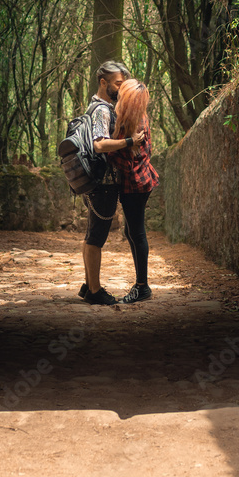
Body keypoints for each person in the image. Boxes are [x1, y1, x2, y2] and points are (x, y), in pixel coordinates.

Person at [79, 61, 144, 306]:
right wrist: (129, 141)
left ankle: (88, 286)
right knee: (96, 237)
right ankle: (95, 292)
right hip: (103, 183)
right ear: (103, 82)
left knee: (91, 235)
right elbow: (99, 144)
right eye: (117, 83)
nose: (121, 87)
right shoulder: (103, 109)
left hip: (99, 182)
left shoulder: (100, 107)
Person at [108, 78, 159, 304]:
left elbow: (127, 163)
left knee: (136, 233)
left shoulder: (135, 124)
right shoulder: (133, 119)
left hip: (135, 185)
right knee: (131, 232)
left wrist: (112, 149)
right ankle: (141, 284)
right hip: (138, 182)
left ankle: (142, 286)